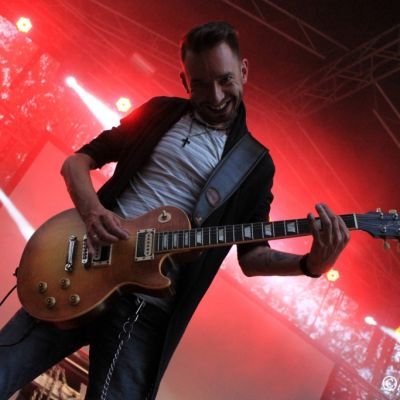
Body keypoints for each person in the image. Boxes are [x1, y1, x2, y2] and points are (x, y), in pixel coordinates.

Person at [0, 21, 349, 399]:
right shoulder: (158, 112)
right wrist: (93, 213)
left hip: (144, 310)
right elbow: (76, 163)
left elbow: (252, 256)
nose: (215, 96)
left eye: (225, 80)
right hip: (80, 267)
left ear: (244, 71)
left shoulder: (255, 166)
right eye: (200, 84)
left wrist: (310, 264)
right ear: (184, 81)